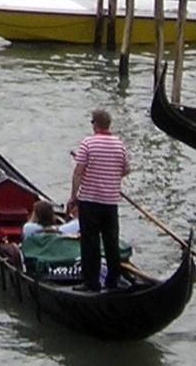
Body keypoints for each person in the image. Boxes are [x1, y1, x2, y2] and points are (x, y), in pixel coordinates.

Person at [69, 107, 130, 291]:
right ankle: (113, 280)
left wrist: (73, 197)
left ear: (95, 124)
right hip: (110, 202)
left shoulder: (88, 143)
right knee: (111, 242)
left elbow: (78, 173)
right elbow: (126, 170)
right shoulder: (119, 144)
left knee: (90, 243)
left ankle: (91, 283)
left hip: (89, 201)